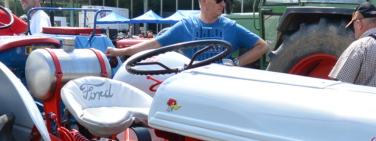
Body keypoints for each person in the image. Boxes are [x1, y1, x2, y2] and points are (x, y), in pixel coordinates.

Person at [105, 0, 268, 67]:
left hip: (222, 86)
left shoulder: (231, 27)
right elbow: (154, 44)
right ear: (204, 1)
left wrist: (236, 63)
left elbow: (262, 46)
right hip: (191, 85)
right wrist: (121, 51)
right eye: (219, 0)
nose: (223, 4)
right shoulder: (185, 26)